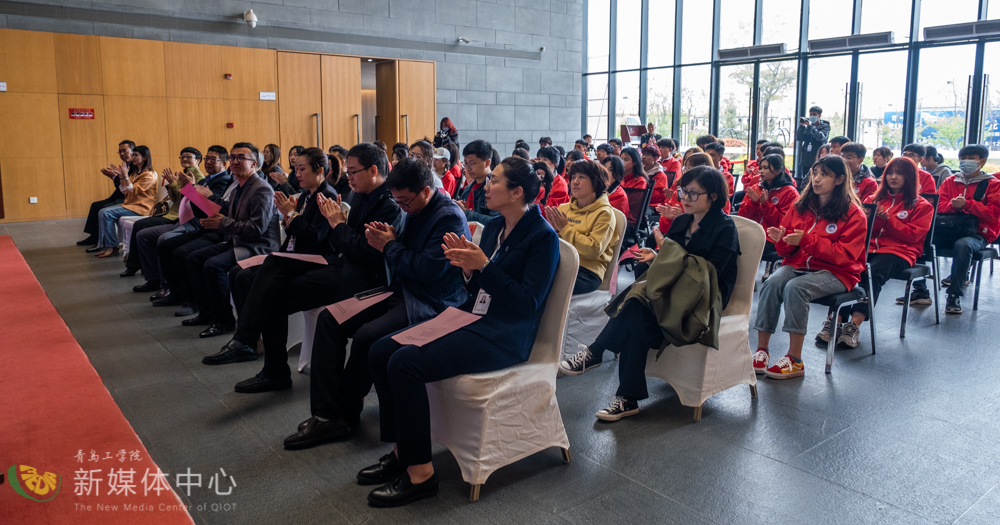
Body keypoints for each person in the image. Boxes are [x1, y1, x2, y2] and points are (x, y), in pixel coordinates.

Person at [360, 156, 560, 507]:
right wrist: (469, 270)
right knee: (380, 350)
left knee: (404, 363)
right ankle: (401, 452)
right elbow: (479, 286)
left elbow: (527, 303)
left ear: (516, 193)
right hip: (474, 316)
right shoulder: (498, 226)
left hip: (505, 335)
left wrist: (481, 266)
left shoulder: (542, 237)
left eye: (495, 180)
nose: (486, 184)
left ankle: (421, 473)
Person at [283, 158, 470, 449]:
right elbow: (401, 254)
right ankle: (326, 413)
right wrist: (391, 241)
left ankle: (344, 410)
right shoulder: (410, 207)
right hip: (398, 289)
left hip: (429, 301)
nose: (402, 208)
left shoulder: (449, 218)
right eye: (397, 201)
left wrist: (390, 245)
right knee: (330, 319)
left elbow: (427, 269)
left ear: (426, 191)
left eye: (406, 202)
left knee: (368, 336)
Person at [559, 166, 739, 421]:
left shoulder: (725, 227)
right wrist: (659, 256)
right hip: (670, 294)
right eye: (683, 192)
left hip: (700, 302)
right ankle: (624, 396)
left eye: (693, 194)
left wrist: (666, 255)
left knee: (635, 303)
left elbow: (710, 274)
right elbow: (667, 264)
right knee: (636, 313)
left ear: (713, 196)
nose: (684, 199)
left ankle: (598, 356)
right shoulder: (682, 221)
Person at [204, 143, 401, 368]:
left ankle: (248, 343)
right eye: (348, 173)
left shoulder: (387, 205)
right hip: (337, 264)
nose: (349, 178)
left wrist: (333, 223)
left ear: (373, 171)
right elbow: (339, 241)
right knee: (261, 282)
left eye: (352, 172)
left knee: (271, 281)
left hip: (354, 276)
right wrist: (300, 218)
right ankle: (264, 361)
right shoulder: (357, 196)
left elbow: (356, 251)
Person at [751, 155, 866, 380]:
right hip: (799, 264)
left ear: (840, 179)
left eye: (825, 175)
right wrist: (781, 241)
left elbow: (844, 256)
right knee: (772, 282)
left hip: (838, 272)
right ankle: (762, 349)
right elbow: (786, 252)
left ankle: (795, 359)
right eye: (815, 173)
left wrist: (806, 241)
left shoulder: (853, 213)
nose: (817, 179)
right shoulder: (800, 207)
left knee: (795, 288)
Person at [824, 157, 933, 348]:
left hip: (899, 252)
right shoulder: (871, 200)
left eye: (899, 173)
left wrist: (889, 221)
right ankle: (834, 321)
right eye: (890, 172)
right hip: (869, 248)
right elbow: (857, 231)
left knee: (870, 273)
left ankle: (853, 325)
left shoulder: (922, 205)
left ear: (910, 177)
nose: (893, 177)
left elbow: (912, 237)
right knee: (844, 268)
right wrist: (869, 221)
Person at [182, 142, 281, 338]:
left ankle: (224, 321)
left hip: (257, 246)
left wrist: (222, 224)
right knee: (193, 258)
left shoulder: (262, 189)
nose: (234, 161)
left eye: (241, 157)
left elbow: (256, 230)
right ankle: (208, 313)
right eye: (232, 157)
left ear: (254, 164)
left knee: (213, 266)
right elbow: (227, 213)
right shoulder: (238, 187)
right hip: (237, 240)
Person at [906, 144, 1000, 314]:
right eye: (963, 159)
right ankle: (920, 290)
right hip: (948, 229)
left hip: (978, 233)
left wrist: (968, 205)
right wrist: (954, 206)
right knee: (919, 237)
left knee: (963, 246)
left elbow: (994, 214)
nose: (966, 162)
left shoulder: (992, 184)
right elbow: (938, 205)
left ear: (983, 161)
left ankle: (954, 295)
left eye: (971, 159)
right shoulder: (951, 181)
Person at [134, 146, 231, 298]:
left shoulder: (222, 181)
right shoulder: (207, 179)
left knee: (165, 240)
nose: (208, 163)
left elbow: (211, 209)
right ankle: (160, 282)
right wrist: (182, 186)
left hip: (200, 224)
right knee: (146, 234)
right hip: (190, 219)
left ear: (224, 163)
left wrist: (188, 188)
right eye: (207, 159)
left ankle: (172, 289)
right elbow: (186, 202)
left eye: (213, 160)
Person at [121, 147, 205, 279]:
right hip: (173, 213)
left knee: (140, 227)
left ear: (198, 160)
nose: (184, 159)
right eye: (182, 157)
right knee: (140, 226)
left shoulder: (199, 178)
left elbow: (187, 200)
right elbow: (175, 199)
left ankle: (136, 266)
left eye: (188, 157)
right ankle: (137, 266)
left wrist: (174, 184)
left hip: (180, 216)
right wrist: (173, 183)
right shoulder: (183, 174)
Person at [544, 159, 619, 295]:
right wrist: (553, 230)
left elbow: (593, 249)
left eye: (582, 177)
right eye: (573, 177)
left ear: (596, 182)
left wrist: (564, 229)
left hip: (588, 272)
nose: (575, 182)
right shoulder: (564, 208)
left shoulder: (604, 213)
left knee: (542, 281)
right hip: (561, 262)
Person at [94, 146, 158, 258]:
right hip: (131, 205)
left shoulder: (149, 174)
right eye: (132, 155)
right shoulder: (135, 173)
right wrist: (121, 175)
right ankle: (106, 245)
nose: (133, 157)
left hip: (143, 208)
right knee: (101, 211)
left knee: (105, 213)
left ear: (145, 157)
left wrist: (125, 175)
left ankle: (112, 246)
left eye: (136, 155)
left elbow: (132, 189)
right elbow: (124, 190)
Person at [738, 153, 799, 260]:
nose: (761, 171)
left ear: (777, 171)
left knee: (742, 247)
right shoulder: (756, 188)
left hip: (773, 238)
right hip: (752, 232)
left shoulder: (790, 192)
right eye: (761, 167)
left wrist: (766, 205)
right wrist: (754, 203)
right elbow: (743, 217)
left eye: (765, 168)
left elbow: (783, 224)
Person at [79, 140, 134, 246]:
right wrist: (115, 176)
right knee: (95, 205)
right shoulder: (125, 164)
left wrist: (114, 177)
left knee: (102, 208)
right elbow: (121, 185)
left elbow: (128, 186)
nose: (122, 154)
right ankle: (94, 236)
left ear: (132, 151)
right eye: (119, 151)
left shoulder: (135, 166)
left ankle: (103, 240)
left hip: (127, 198)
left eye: (124, 151)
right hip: (119, 195)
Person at [457, 140, 500, 224]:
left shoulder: (497, 187)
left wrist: (467, 213)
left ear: (487, 163)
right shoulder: (468, 189)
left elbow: (497, 221)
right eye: (465, 163)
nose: (468, 168)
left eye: (472, 163)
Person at [795, 105, 831, 185]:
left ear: (819, 115)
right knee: (806, 180)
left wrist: (810, 126)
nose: (812, 116)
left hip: (818, 156)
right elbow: (799, 138)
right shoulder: (806, 126)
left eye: (814, 114)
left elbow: (821, 137)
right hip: (806, 158)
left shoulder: (825, 126)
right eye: (810, 114)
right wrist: (801, 126)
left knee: (816, 178)